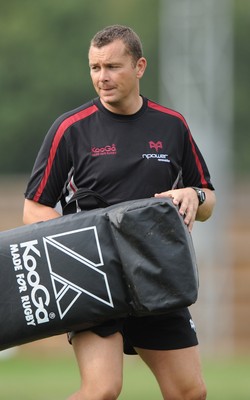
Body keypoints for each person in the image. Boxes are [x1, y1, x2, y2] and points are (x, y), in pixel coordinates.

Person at [23, 24, 215, 400]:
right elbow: (34, 208)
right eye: (95, 68)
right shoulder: (70, 129)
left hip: (157, 275)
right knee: (102, 389)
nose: (102, 77)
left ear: (140, 66)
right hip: (94, 280)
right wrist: (79, 249)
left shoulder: (172, 125)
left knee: (190, 392)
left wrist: (195, 194)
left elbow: (208, 199)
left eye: (112, 66)